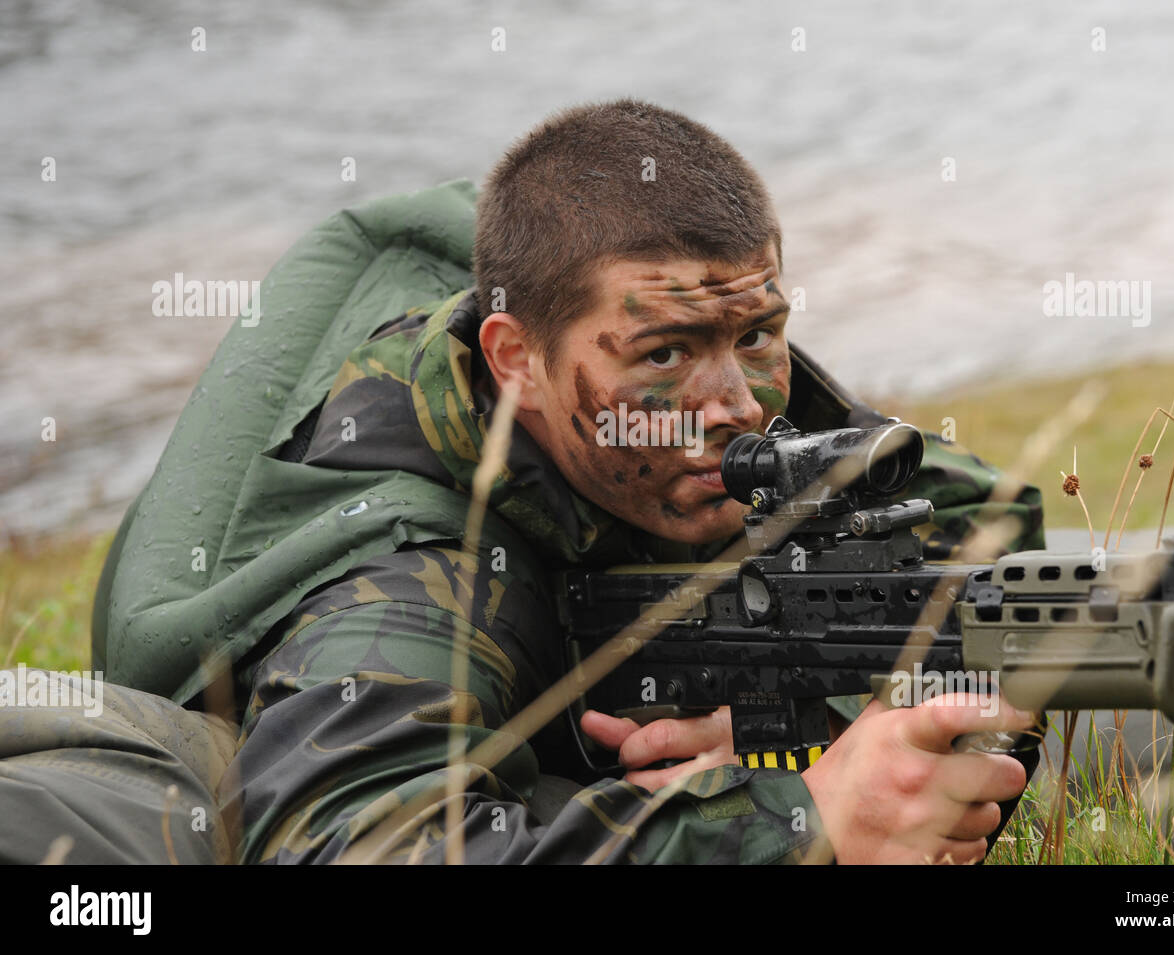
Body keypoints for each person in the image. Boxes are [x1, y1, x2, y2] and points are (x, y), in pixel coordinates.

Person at [0, 99, 1045, 864]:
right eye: (665, 353)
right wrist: (798, 821)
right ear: (514, 360)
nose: (735, 403)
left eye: (758, 334)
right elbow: (358, 844)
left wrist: (822, 715)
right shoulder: (418, 575)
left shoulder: (711, 383)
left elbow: (980, 523)